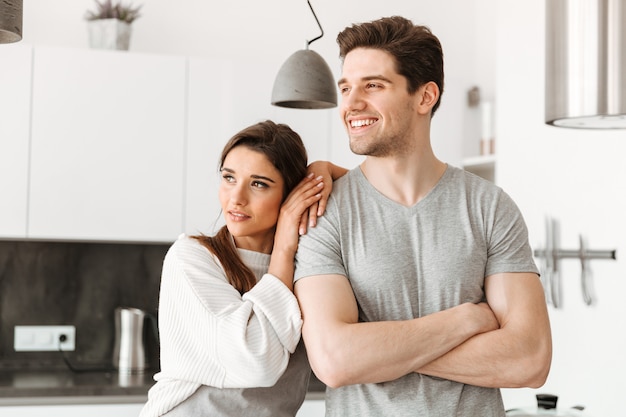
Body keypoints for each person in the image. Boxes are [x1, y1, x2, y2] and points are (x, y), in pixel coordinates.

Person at [293, 16, 552, 417]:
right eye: (346, 87)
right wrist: (466, 321)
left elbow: (530, 359)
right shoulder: (324, 211)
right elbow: (334, 360)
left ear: (425, 97)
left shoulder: (490, 207)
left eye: (373, 85)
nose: (351, 103)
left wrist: (376, 352)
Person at [140, 120, 346, 417]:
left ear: (291, 193)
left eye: (258, 183)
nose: (236, 198)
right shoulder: (191, 259)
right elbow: (256, 362)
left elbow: (376, 199)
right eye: (229, 178)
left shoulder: (313, 265)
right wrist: (284, 247)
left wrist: (324, 169)